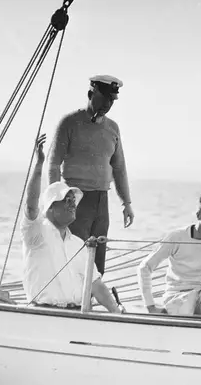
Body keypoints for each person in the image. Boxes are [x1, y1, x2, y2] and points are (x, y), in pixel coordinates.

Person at [22, 133, 123, 313]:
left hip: (77, 316)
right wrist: (39, 165)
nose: (72, 203)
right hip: (44, 315)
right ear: (50, 208)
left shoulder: (79, 244)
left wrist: (117, 314)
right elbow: (31, 206)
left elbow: (97, 286)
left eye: (73, 200)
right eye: (66, 199)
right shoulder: (37, 233)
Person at [47, 74, 134, 276]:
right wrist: (55, 200)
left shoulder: (113, 128)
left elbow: (119, 167)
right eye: (103, 99)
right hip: (74, 200)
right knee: (73, 259)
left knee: (96, 263)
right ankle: (69, 304)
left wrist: (126, 203)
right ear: (90, 94)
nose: (107, 104)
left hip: (101, 202)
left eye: (111, 100)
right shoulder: (69, 123)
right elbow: (53, 164)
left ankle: (90, 304)